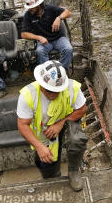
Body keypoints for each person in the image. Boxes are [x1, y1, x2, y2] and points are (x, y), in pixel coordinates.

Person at [16, 60, 87, 192]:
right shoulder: (28, 95)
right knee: (46, 161)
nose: (52, 95)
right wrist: (39, 147)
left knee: (77, 139)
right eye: (49, 91)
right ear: (41, 84)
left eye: (57, 91)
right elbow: (22, 125)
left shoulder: (71, 88)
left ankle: (73, 171)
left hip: (66, 123)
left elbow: (82, 109)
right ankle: (52, 175)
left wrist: (60, 123)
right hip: (44, 132)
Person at [19, 0, 73, 69]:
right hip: (44, 42)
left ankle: (62, 71)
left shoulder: (50, 8)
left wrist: (59, 18)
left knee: (68, 49)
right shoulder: (28, 15)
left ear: (39, 5)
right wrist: (38, 37)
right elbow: (24, 34)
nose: (30, 9)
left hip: (58, 38)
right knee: (40, 52)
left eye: (32, 7)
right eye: (29, 7)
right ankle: (49, 72)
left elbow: (68, 12)